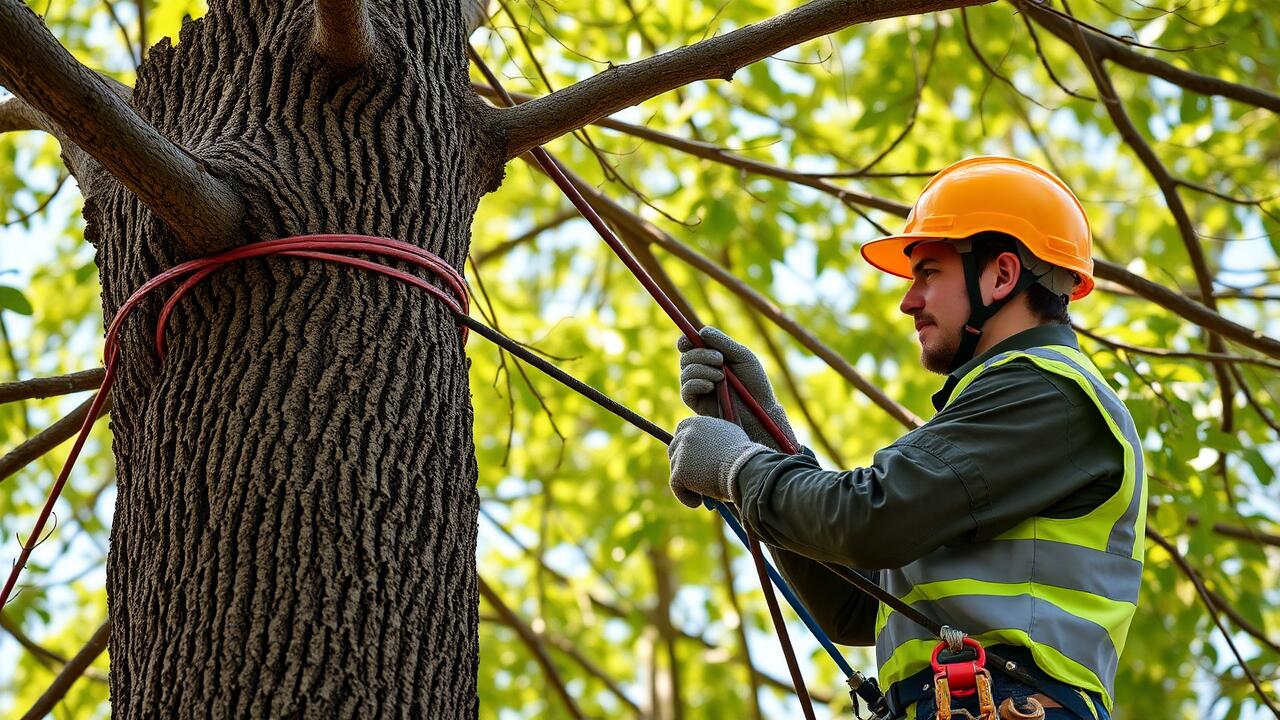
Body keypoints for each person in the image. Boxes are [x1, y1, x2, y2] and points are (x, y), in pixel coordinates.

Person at [667, 156, 1146, 720]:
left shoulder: (1049, 394)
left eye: (929, 272)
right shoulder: (995, 411)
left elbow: (871, 518)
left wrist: (740, 468)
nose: (908, 300)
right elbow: (855, 605)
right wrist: (764, 439)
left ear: (1001, 276)